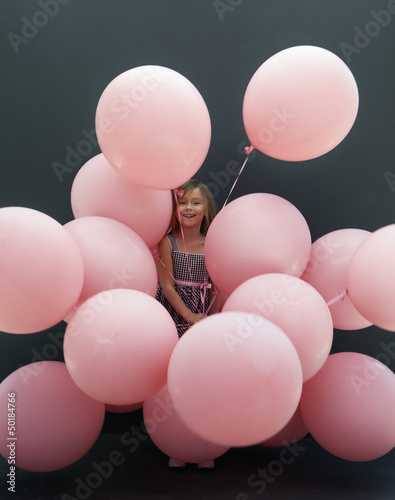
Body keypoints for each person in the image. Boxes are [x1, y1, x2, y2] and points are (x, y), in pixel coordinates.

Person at [155, 179, 220, 471]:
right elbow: (167, 286)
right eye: (183, 203)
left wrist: (210, 321)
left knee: (203, 383)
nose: (189, 208)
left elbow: (218, 286)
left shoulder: (215, 245)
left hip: (203, 316)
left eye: (196, 202)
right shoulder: (166, 242)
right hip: (174, 314)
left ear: (206, 209)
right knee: (174, 384)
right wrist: (187, 316)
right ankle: (176, 442)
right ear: (174, 207)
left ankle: (203, 444)